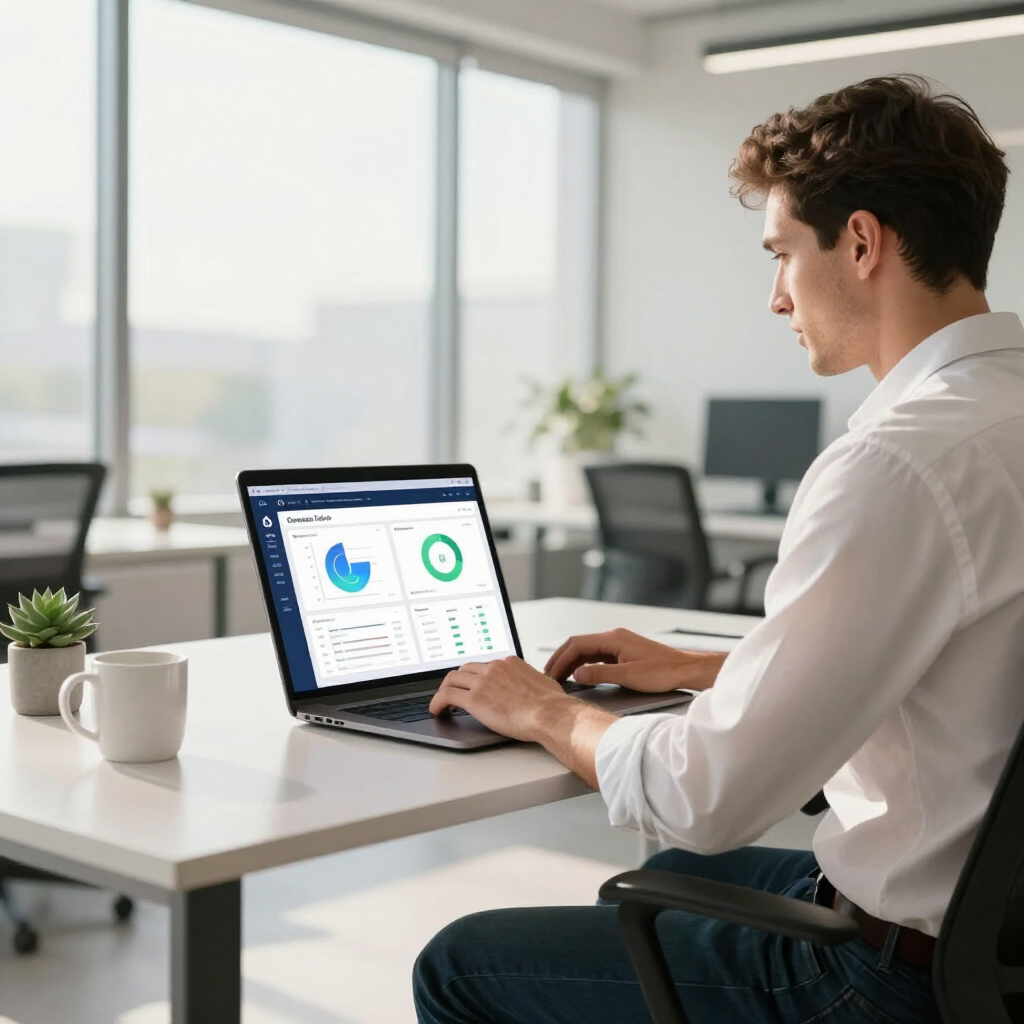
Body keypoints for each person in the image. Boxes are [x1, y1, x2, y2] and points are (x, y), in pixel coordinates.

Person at [413, 75, 1024, 1024]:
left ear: (861, 243)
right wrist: (709, 664)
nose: (776, 295)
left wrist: (544, 711)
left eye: (782, 253)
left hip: (896, 984)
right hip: (1002, 946)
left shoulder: (897, 463)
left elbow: (709, 794)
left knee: (459, 963)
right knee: (676, 874)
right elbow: (969, 668)